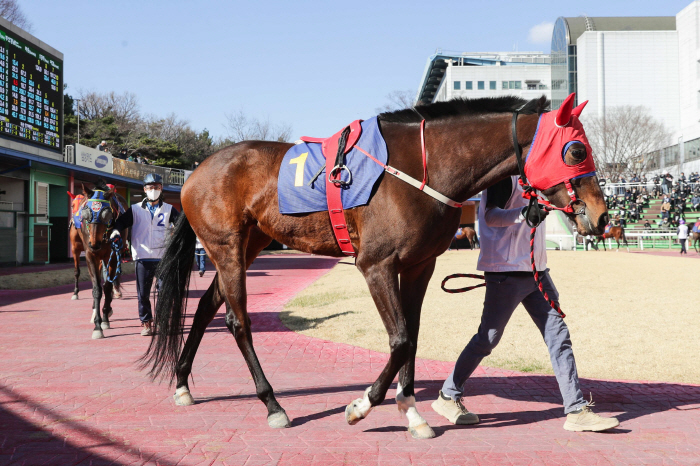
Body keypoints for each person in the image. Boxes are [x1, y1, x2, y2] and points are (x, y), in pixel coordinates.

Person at [432, 176, 619, 432]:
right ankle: (448, 395)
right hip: (506, 271)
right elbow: (490, 216)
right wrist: (523, 213)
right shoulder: (503, 177)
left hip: (537, 271)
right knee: (488, 339)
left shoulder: (540, 178)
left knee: (559, 337)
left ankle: (576, 410)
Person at [110, 174, 179, 336]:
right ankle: (146, 322)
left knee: (163, 292)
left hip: (163, 257)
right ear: (144, 189)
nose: (153, 190)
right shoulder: (135, 209)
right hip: (142, 257)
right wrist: (115, 231)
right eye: (149, 187)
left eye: (156, 187)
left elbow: (182, 223)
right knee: (143, 294)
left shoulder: (169, 209)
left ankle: (162, 321)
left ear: (161, 188)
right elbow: (120, 222)